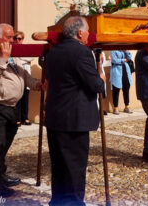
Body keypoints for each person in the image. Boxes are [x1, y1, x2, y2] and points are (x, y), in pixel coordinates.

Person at [0, 23, 44, 197]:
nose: (12, 40)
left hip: (11, 108)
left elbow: (23, 74)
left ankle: (0, 174)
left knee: (3, 146)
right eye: (8, 37)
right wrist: (2, 59)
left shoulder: (15, 55)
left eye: (13, 37)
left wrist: (36, 84)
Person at [45, 16, 106, 205]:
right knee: (74, 169)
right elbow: (94, 84)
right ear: (80, 33)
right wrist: (102, 78)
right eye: (87, 31)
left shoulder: (54, 52)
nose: (88, 35)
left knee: (60, 168)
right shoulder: (81, 52)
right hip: (74, 121)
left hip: (56, 118)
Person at [13, 31, 33, 126]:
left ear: (22, 39)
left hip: (26, 77)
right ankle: (18, 119)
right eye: (16, 38)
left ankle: (25, 117)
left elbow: (31, 57)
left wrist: (19, 58)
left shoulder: (26, 47)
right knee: (18, 99)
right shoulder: (12, 48)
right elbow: (12, 59)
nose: (17, 40)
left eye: (19, 38)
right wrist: (22, 58)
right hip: (17, 77)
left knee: (26, 98)